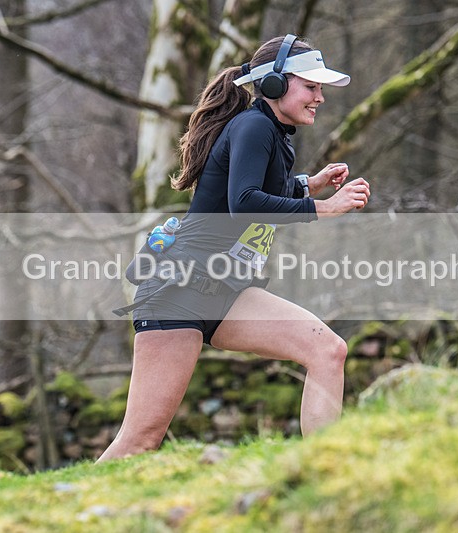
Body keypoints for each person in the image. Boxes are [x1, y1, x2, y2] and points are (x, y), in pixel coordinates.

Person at [97, 34, 370, 461]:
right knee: (141, 439)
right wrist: (323, 207)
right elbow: (243, 202)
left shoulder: (276, 133)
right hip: (180, 292)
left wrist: (305, 185)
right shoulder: (255, 126)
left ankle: (324, 468)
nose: (320, 97)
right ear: (276, 84)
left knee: (327, 350)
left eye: (320, 88)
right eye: (311, 86)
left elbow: (251, 191)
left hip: (224, 292)